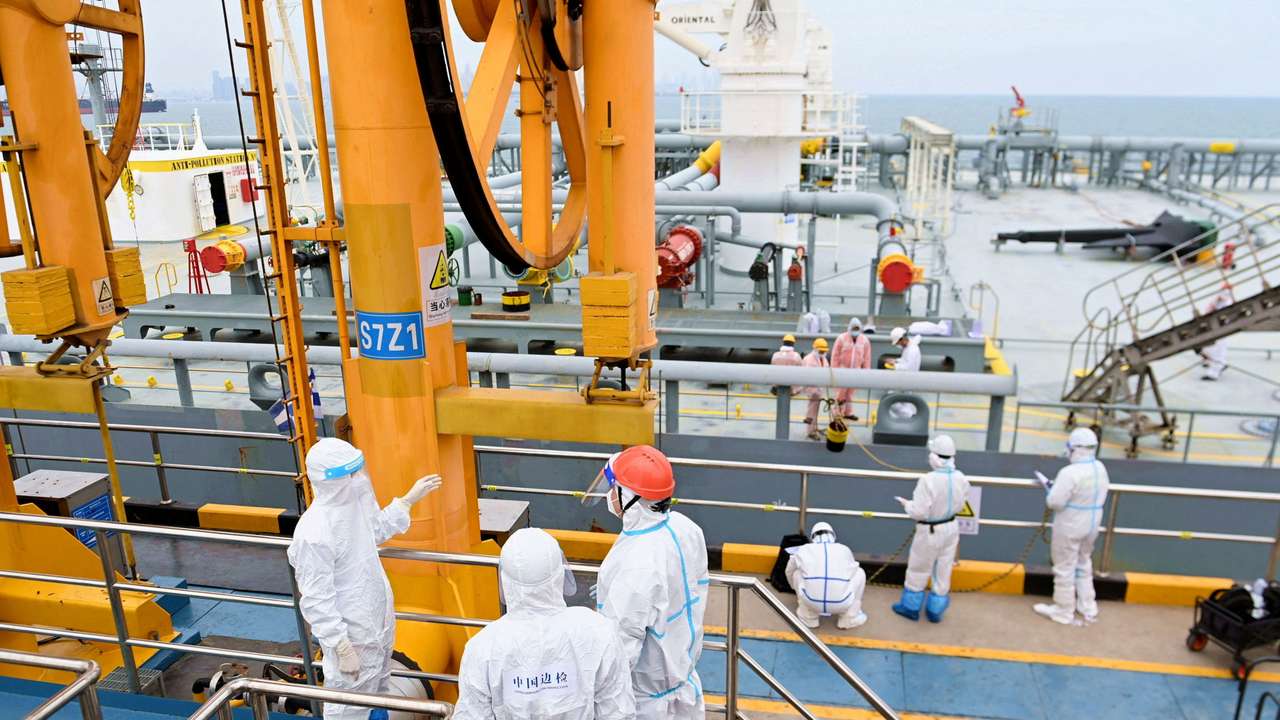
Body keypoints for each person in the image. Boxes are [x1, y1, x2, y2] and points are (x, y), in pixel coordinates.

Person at [287, 438, 443, 720]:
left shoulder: (353, 504)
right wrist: (341, 646)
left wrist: (406, 501)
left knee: (378, 697)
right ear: (331, 480)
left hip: (377, 626)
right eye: (351, 473)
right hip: (352, 637)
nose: (359, 478)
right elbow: (316, 598)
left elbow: (376, 530)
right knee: (348, 708)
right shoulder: (314, 532)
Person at [454, 528, 634, 719]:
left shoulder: (483, 648)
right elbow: (618, 712)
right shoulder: (598, 631)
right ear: (559, 574)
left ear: (505, 580)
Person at [595, 446, 709, 719]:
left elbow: (621, 649)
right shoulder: (685, 528)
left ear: (630, 497)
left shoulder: (636, 562)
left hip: (647, 705)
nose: (610, 495)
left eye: (614, 487)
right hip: (684, 688)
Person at [1033, 427, 1110, 625]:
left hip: (1071, 524)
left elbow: (1055, 502)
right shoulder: (1100, 468)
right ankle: (1088, 607)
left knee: (1064, 567)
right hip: (1092, 523)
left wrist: (1051, 489)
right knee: (1084, 563)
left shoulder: (1069, 472)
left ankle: (1063, 610)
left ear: (1075, 448)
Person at [892, 435, 969, 624]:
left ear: (934, 456)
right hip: (951, 527)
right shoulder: (961, 478)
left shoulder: (928, 480)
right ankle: (936, 609)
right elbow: (961, 504)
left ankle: (910, 607)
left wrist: (907, 505)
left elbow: (919, 512)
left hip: (930, 530)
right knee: (943, 568)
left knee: (919, 567)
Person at [786, 522, 867, 630]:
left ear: (813, 537)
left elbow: (789, 571)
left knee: (796, 573)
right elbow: (852, 570)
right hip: (842, 602)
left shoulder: (804, 549)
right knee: (860, 572)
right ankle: (848, 618)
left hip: (811, 602)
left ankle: (809, 618)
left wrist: (795, 587)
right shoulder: (844, 549)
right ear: (833, 536)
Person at [831, 318, 871, 420]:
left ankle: (848, 413)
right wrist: (834, 370)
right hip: (842, 370)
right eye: (854, 328)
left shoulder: (864, 340)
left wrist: (866, 372)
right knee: (841, 393)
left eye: (857, 328)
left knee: (850, 393)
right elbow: (835, 356)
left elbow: (867, 358)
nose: (855, 331)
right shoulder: (841, 338)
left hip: (856, 370)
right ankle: (837, 413)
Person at [1200, 284, 1235, 381]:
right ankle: (1218, 364)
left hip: (1220, 328)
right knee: (1213, 348)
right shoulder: (1221, 300)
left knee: (1217, 349)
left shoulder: (1227, 301)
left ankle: (1214, 373)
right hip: (1216, 327)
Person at [802, 338, 831, 440]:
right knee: (811, 411)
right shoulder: (809, 359)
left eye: (824, 351)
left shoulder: (823, 358)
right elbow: (808, 376)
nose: (823, 352)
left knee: (815, 410)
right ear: (815, 349)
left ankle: (814, 427)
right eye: (821, 351)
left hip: (819, 389)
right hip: (812, 390)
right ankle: (810, 431)